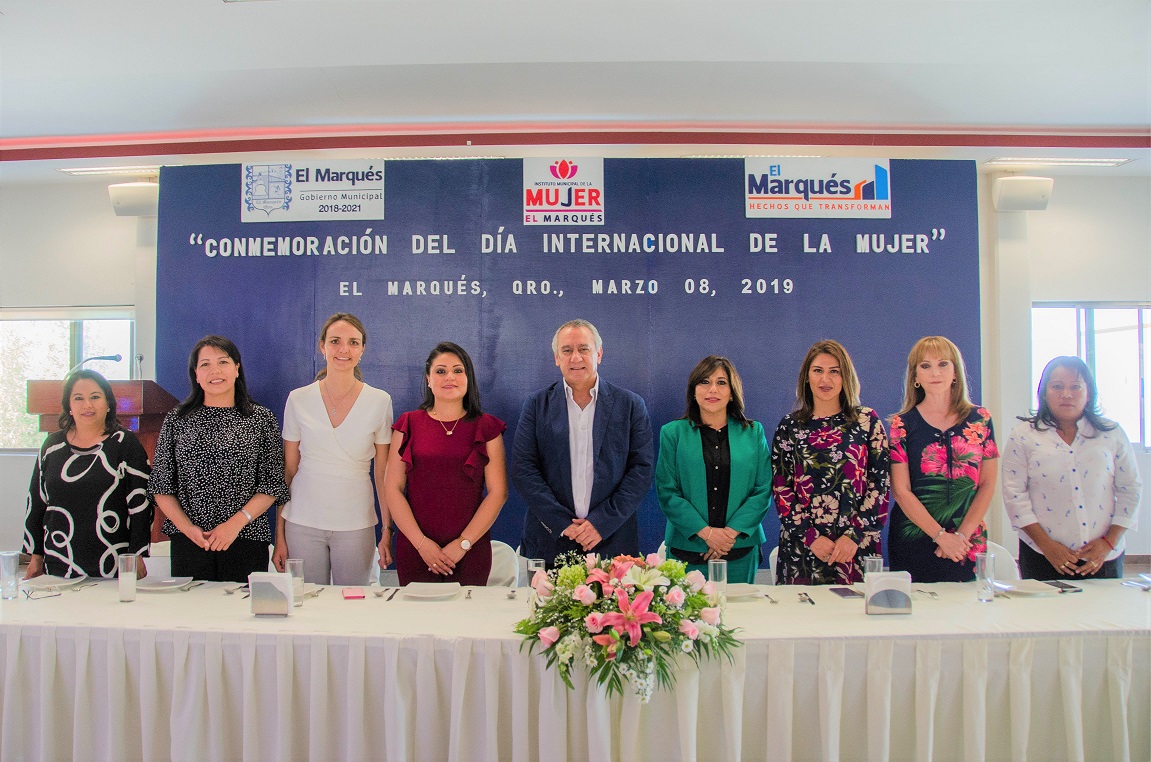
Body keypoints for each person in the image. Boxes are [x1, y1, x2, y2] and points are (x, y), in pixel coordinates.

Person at [513, 319, 654, 565]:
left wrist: (600, 524)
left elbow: (641, 471)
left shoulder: (630, 406)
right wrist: (562, 523)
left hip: (612, 543)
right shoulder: (536, 406)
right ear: (557, 358)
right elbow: (524, 469)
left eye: (584, 349)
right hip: (549, 542)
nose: (575, 357)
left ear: (598, 353)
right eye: (567, 350)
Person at [149, 335, 290, 582]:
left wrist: (234, 525)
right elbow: (161, 486)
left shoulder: (261, 419)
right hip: (190, 540)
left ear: (237, 368)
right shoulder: (177, 419)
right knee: (193, 616)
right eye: (205, 364)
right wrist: (188, 529)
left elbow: (271, 484)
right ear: (196, 374)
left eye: (223, 362)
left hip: (246, 537)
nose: (215, 371)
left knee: (243, 615)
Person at [274, 313, 393, 585]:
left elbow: (382, 475)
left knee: (351, 609)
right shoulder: (298, 398)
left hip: (356, 523)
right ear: (322, 346)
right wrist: (279, 535)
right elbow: (289, 472)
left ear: (362, 349)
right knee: (307, 606)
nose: (343, 349)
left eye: (353, 342)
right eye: (335, 341)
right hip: (302, 522)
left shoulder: (380, 401)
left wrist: (387, 529)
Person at [1002, 356, 1141, 580]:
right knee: (1044, 615)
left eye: (1075, 387)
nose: (1066, 394)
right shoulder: (1022, 436)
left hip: (1103, 556)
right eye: (1057, 386)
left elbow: (1130, 489)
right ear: (1044, 392)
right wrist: (1047, 546)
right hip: (1043, 555)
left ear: (1089, 392)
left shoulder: (1111, 433)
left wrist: (1108, 542)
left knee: (1106, 614)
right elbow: (1014, 496)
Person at [383, 341, 507, 586]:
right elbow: (392, 489)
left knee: (467, 622)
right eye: (440, 371)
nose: (449, 377)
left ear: (468, 377)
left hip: (470, 552)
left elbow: (498, 493)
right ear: (428, 379)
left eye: (458, 370)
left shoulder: (487, 427)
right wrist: (421, 544)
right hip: (416, 551)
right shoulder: (408, 423)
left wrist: (462, 544)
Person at [771, 341, 890, 585]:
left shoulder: (868, 421)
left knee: (856, 621)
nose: (825, 379)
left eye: (834, 371)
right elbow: (781, 488)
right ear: (806, 377)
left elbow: (880, 484)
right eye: (818, 370)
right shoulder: (789, 427)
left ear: (846, 377)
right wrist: (811, 537)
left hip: (856, 548)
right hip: (803, 550)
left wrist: (853, 537)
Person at [888, 336, 999, 582]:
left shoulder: (980, 419)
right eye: (925, 366)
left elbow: (987, 484)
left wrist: (960, 537)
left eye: (943, 364)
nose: (935, 372)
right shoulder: (902, 424)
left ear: (955, 372)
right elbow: (901, 490)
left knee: (969, 614)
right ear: (915, 377)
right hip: (914, 539)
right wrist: (940, 537)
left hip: (967, 541)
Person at [23, 370, 153, 579]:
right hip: (59, 559)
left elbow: (141, 504)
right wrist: (36, 557)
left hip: (111, 561)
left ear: (108, 403)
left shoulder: (125, 443)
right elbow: (36, 503)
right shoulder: (52, 446)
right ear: (69, 407)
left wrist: (136, 555)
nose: (87, 405)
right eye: (78, 398)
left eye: (95, 397)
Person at [656, 356, 772, 584]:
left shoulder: (753, 432)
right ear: (694, 390)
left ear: (732, 391)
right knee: (687, 619)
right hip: (687, 552)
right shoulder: (673, 433)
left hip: (739, 549)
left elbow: (763, 488)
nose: (713, 390)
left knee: (742, 619)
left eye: (721, 383)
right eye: (704, 382)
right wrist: (708, 535)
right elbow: (668, 491)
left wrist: (728, 535)